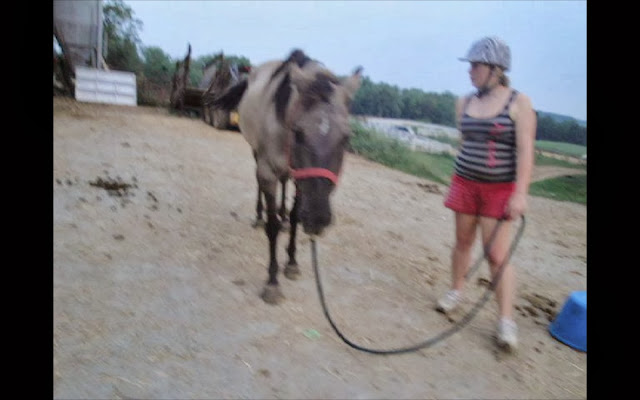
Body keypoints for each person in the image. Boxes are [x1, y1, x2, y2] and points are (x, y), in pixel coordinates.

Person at [436, 36, 536, 352]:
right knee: (462, 242)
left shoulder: (519, 103)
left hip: (499, 190)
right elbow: (465, 142)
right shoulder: (464, 102)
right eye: (470, 65)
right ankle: (455, 291)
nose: (470, 71)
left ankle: (506, 321)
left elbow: (525, 150)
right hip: (465, 184)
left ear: (496, 69)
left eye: (476, 65)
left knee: (496, 254)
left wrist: (520, 193)